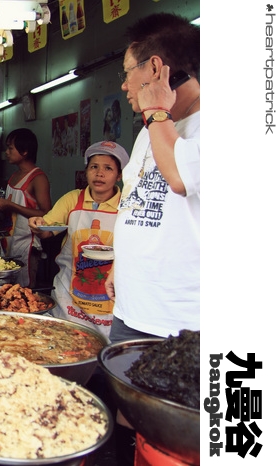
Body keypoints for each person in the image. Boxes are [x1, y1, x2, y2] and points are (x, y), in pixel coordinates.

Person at [105, 12, 200, 342]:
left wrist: (157, 109)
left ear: (156, 69)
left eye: (128, 72)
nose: (124, 84)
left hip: (180, 326)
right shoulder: (151, 129)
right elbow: (135, 201)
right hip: (131, 309)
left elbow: (178, 178)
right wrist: (123, 263)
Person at [29, 141, 129, 339]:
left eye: (108, 168)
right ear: (86, 171)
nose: (99, 173)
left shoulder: (127, 204)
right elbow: (47, 230)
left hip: (109, 296)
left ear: (119, 175)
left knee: (106, 351)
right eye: (94, 167)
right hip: (70, 294)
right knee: (66, 343)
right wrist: (38, 225)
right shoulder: (73, 199)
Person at [0, 128, 52, 287]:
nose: (7, 152)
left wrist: (10, 204)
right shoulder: (15, 176)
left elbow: (46, 213)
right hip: (9, 240)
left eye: (10, 148)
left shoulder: (38, 178)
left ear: (24, 151)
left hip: (27, 244)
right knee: (6, 287)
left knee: (23, 288)